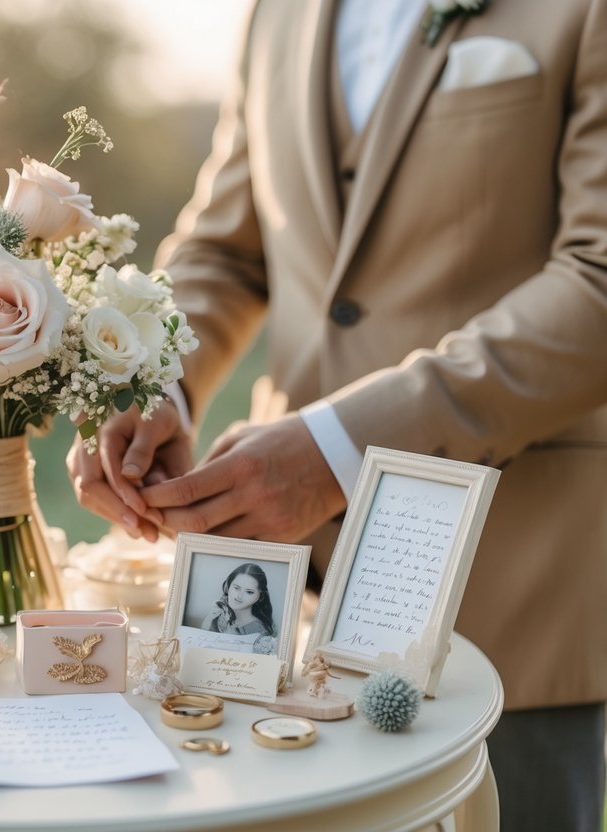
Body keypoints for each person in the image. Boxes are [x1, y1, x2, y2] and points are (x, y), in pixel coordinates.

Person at [68, 2, 607, 829]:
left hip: (508, 598)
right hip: (282, 609)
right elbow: (223, 249)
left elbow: (597, 279)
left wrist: (341, 448)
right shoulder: (274, 13)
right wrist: (154, 382)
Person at [194, 562, 276, 638]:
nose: (239, 596)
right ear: (228, 585)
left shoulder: (260, 631)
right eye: (236, 588)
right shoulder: (218, 616)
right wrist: (207, 623)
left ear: (260, 596)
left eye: (249, 592)